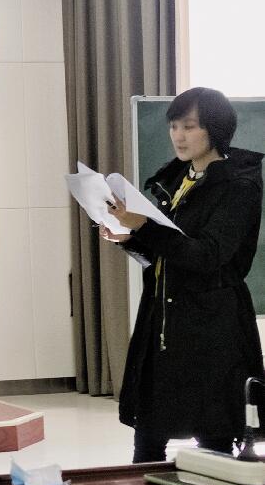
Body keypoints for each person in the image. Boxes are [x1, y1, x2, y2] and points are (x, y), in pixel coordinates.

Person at [100, 87, 264, 463]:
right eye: (174, 126)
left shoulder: (238, 186)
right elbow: (168, 253)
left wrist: (145, 228)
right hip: (163, 323)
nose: (178, 135)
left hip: (211, 329)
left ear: (215, 129)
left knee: (213, 443)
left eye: (189, 126)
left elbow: (208, 256)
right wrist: (130, 238)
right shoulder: (177, 178)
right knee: (148, 439)